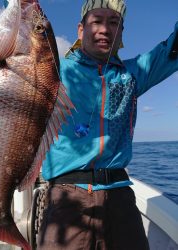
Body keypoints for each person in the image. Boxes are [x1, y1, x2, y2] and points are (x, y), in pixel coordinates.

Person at [37, 0, 178, 250]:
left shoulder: (132, 74)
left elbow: (172, 49)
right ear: (81, 30)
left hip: (120, 195)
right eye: (97, 22)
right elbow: (21, 24)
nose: (105, 29)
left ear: (121, 33)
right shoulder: (54, 70)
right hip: (67, 197)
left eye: (114, 23)